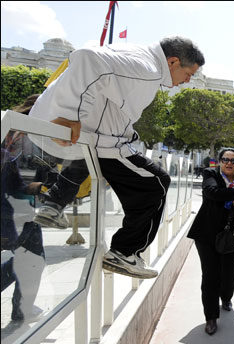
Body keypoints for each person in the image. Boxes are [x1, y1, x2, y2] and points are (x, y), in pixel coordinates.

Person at [29, 36, 205, 279]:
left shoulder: (140, 59)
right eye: (188, 74)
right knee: (155, 183)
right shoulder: (147, 68)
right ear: (173, 62)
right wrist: (68, 114)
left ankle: (53, 204)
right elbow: (87, 58)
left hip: (93, 138)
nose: (187, 81)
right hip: (101, 141)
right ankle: (125, 252)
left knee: (86, 163)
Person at [187, 148, 234, 335]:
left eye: (233, 160)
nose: (229, 163)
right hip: (207, 233)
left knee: (229, 271)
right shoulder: (210, 174)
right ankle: (210, 317)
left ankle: (226, 297)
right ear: (219, 161)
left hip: (233, 234)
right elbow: (212, 192)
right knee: (210, 275)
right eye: (225, 159)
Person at [1, 96, 46, 322]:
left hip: (13, 213)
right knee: (33, 257)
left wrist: (42, 187)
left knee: (30, 257)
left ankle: (23, 308)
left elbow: (15, 184)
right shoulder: (10, 145)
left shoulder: (10, 136)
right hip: (10, 216)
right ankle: (22, 309)